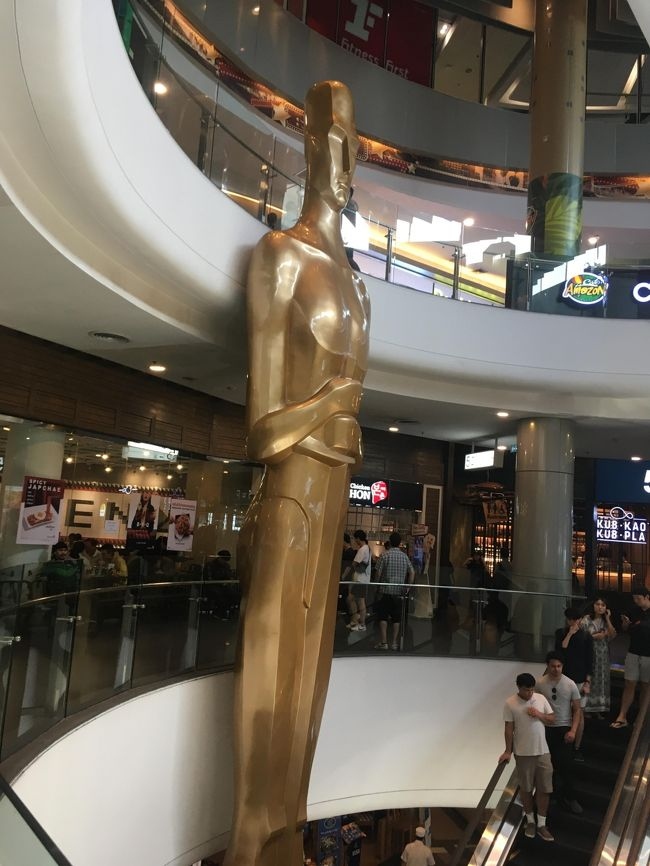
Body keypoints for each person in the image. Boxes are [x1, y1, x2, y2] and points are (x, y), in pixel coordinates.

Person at [224, 80, 370, 866]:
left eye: (355, 147)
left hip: (335, 500)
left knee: (311, 677)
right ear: (310, 145)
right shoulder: (280, 258)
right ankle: (252, 839)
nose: (345, 163)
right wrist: (332, 402)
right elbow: (262, 433)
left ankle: (288, 833)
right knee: (271, 662)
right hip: (290, 497)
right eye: (334, 141)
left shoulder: (359, 286)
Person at [499, 672, 555, 842]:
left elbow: (552, 719)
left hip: (543, 750)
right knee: (526, 788)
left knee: (545, 788)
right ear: (519, 687)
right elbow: (509, 728)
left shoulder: (540, 698)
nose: (529, 693)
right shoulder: (510, 703)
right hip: (523, 753)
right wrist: (508, 751)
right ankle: (530, 821)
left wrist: (539, 714)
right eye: (526, 690)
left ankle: (542, 824)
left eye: (531, 690)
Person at [535, 651, 583, 815]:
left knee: (566, 765)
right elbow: (536, 705)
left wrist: (573, 730)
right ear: (547, 666)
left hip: (564, 728)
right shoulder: (540, 683)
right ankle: (554, 797)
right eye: (553, 666)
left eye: (559, 666)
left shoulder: (570, 684)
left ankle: (570, 797)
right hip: (546, 728)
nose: (556, 669)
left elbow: (577, 710)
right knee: (549, 766)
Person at [555, 606, 593, 759]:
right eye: (569, 619)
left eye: (574, 620)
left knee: (579, 712)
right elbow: (560, 650)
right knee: (562, 709)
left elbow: (590, 660)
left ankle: (577, 746)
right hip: (564, 676)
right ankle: (564, 743)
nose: (571, 622)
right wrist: (570, 634)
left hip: (579, 678)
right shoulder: (561, 633)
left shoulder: (586, 636)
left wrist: (588, 681)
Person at [610, 586, 650, 729]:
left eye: (639, 598)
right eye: (634, 599)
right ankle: (622, 715)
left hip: (648, 654)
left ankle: (641, 717)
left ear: (647, 597)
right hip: (633, 651)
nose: (636, 601)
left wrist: (640, 625)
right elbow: (625, 629)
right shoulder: (633, 611)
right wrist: (626, 624)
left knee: (646, 686)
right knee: (629, 683)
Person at [374, 532, 414, 650]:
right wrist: (408, 587)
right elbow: (412, 572)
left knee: (383, 616)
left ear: (390, 542)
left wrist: (376, 586)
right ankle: (395, 643)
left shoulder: (384, 555)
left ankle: (384, 642)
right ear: (400, 543)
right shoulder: (404, 557)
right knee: (396, 618)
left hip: (385, 591)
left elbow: (378, 573)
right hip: (399, 592)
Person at [580, 598, 616, 719]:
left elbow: (613, 634)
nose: (600, 607)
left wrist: (608, 618)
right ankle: (585, 708)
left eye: (603, 605)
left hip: (602, 655)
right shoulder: (586, 619)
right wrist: (595, 636)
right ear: (593, 605)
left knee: (601, 679)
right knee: (589, 679)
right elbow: (581, 637)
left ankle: (598, 708)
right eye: (598, 604)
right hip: (589, 652)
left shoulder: (606, 621)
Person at [342, 529, 371, 631]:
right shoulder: (367, 548)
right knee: (357, 600)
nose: (354, 541)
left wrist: (345, 574)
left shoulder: (362, 549)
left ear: (358, 538)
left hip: (360, 579)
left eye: (355, 539)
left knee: (353, 600)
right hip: (363, 579)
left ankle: (359, 622)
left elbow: (354, 564)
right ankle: (356, 621)